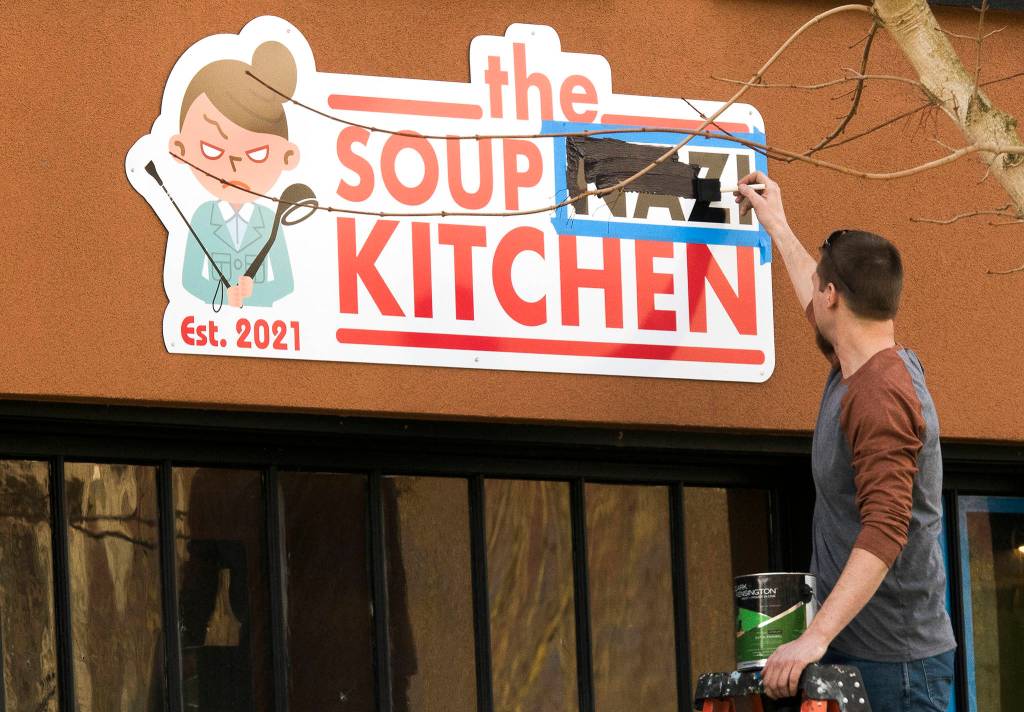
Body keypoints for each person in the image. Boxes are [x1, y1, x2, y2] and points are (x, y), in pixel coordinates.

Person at [735, 172, 957, 711]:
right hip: (861, 654)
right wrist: (777, 226)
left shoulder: (879, 395)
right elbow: (815, 304)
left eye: (821, 286)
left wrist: (814, 638)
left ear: (834, 295)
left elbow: (887, 529)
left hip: (895, 667)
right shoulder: (857, 365)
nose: (813, 293)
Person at [169, 41, 300, 308]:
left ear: (287, 157)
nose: (235, 167)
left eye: (258, 155)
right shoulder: (203, 217)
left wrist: (254, 294)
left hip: (263, 328)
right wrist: (223, 296)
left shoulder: (270, 221)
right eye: (212, 151)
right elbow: (190, 279)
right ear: (181, 149)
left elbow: (286, 283)